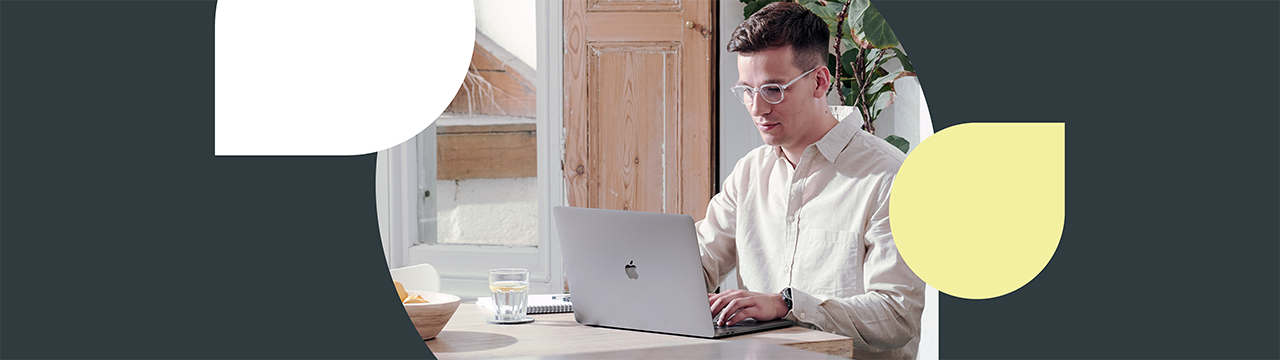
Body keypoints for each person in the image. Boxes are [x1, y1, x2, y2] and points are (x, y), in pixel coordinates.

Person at [698, 2, 924, 359]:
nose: (757, 108)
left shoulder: (890, 177)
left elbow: (896, 317)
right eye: (747, 90)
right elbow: (701, 258)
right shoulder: (749, 172)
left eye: (773, 89)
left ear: (819, 81)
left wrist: (788, 305)